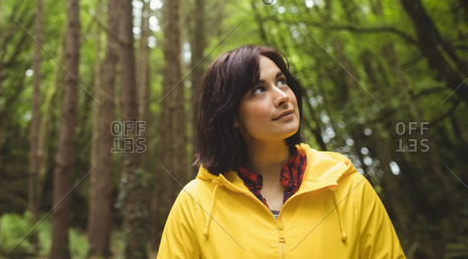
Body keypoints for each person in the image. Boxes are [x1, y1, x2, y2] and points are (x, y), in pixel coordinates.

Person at [157, 44, 406, 258]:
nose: (282, 97)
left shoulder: (349, 188)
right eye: (259, 89)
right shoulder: (195, 203)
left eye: (281, 82)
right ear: (231, 114)